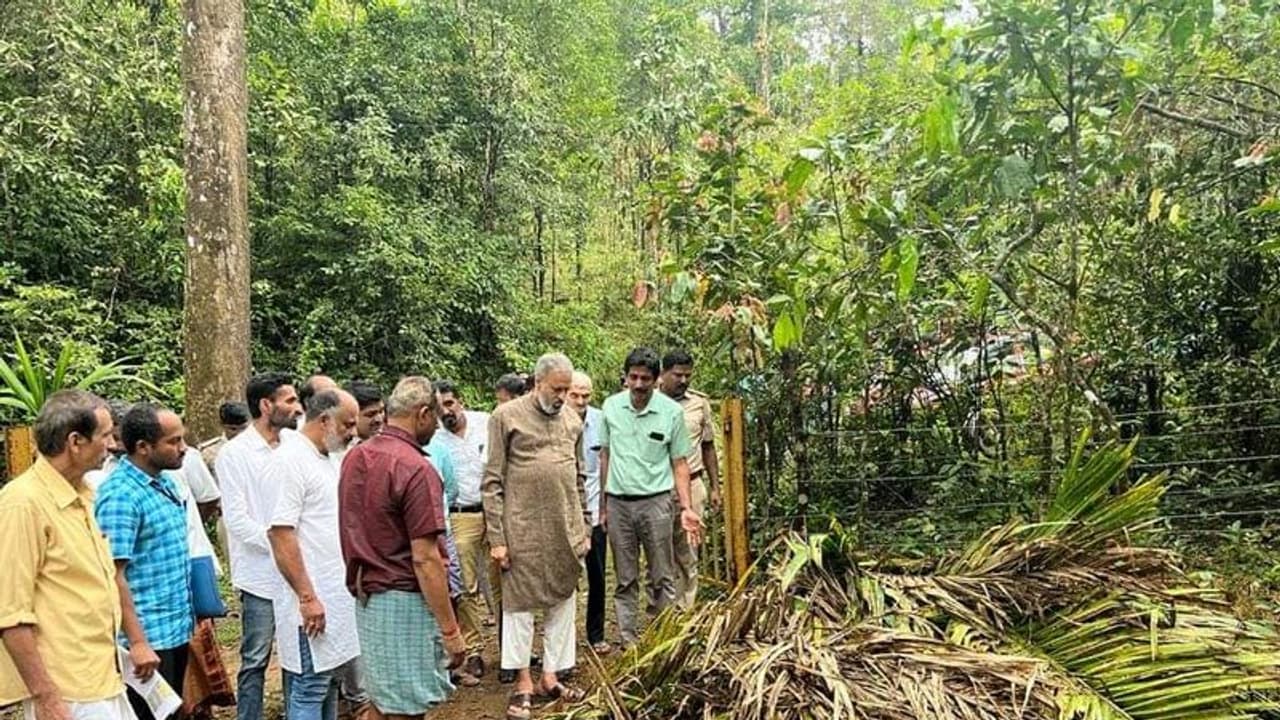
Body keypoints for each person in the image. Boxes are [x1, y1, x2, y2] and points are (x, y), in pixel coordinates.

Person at [338, 376, 465, 718]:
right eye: (435, 417)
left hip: (368, 597)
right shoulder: (416, 468)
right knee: (406, 709)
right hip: (403, 599)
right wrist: (451, 630)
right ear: (423, 414)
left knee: (382, 700)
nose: (437, 426)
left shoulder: (356, 456)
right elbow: (425, 559)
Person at [0, 391, 131, 720]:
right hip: (68, 691)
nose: (112, 445)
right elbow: (10, 614)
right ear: (75, 442)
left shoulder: (85, 494)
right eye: (105, 435)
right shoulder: (22, 503)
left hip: (103, 675)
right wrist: (47, 697)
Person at [484, 353, 590, 720]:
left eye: (566, 390)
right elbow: (492, 482)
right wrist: (497, 538)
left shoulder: (572, 420)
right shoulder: (505, 417)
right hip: (521, 529)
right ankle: (523, 682)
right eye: (556, 389)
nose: (562, 397)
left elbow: (579, 478)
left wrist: (584, 526)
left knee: (563, 601)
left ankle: (551, 676)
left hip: (565, 528)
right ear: (537, 382)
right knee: (519, 607)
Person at [94, 403, 194, 720]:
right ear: (142, 447)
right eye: (173, 441)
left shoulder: (164, 483)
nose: (183, 448)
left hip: (174, 628)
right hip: (147, 639)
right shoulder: (121, 496)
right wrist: (138, 643)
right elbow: (113, 575)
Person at [268, 390, 362, 720]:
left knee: (328, 683)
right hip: (310, 598)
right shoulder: (289, 460)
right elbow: (281, 534)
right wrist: (307, 597)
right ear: (325, 420)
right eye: (348, 424)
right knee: (310, 686)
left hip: (334, 594)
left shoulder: (328, 458)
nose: (353, 432)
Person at [599, 347, 702, 648]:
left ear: (656, 380)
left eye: (645, 378)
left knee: (662, 575)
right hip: (619, 502)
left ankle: (663, 638)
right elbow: (605, 456)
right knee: (625, 577)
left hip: (657, 502)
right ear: (625, 377)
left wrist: (686, 507)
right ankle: (628, 640)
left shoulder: (671, 412)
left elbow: (679, 463)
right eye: (633, 377)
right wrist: (603, 504)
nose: (639, 384)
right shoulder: (611, 407)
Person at [216, 372, 303, 720]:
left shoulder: (296, 446)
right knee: (255, 657)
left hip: (297, 571)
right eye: (290, 400)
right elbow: (236, 519)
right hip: (260, 575)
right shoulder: (234, 454)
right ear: (266, 405)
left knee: (297, 655)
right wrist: (280, 543)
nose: (297, 407)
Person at [425, 379, 491, 684]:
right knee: (466, 586)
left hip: (494, 510)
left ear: (460, 401)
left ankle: (512, 649)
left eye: (450, 404)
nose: (446, 412)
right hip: (461, 514)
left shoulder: (485, 423)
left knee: (502, 581)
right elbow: (448, 487)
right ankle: (474, 650)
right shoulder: (434, 439)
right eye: (440, 408)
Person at [660, 350, 720, 609]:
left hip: (693, 484)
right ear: (663, 374)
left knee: (688, 552)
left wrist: (715, 486)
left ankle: (685, 611)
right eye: (677, 375)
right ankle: (662, 612)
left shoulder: (699, 404)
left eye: (687, 375)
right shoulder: (649, 402)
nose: (683, 380)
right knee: (659, 553)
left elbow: (708, 446)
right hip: (658, 487)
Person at [567, 371, 609, 654]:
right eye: (575, 395)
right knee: (566, 578)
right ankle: (564, 639)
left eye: (586, 395)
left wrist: (605, 507)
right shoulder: (553, 422)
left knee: (598, 575)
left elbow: (607, 462)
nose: (581, 401)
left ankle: (596, 634)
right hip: (564, 514)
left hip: (594, 510)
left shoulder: (601, 421)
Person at [198, 401, 251, 480]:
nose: (239, 433)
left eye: (243, 428)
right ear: (222, 425)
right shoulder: (208, 453)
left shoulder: (258, 448)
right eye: (233, 429)